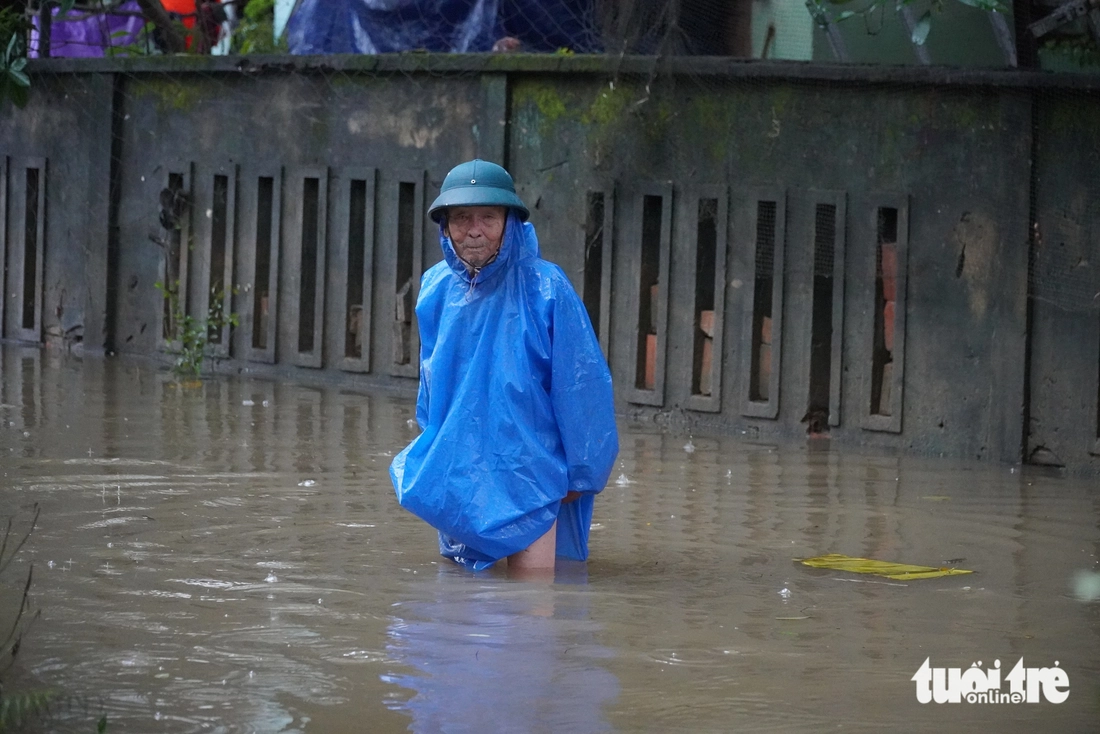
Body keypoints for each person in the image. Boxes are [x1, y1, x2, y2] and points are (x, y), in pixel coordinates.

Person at [389, 159, 618, 573]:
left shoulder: (548, 288)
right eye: (461, 218)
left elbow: (582, 388)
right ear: (445, 225)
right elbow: (430, 382)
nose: (474, 229)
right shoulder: (435, 287)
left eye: (488, 217)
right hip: (456, 477)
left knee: (530, 613)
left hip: (531, 478)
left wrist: (581, 477)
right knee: (458, 614)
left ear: (509, 221)